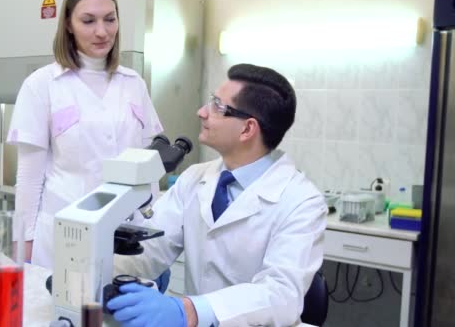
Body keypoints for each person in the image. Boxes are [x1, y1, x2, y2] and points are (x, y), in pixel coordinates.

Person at [107, 63, 327, 326]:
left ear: (247, 129)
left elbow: (280, 296)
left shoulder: (302, 201)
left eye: (217, 106)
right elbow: (151, 250)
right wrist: (95, 275)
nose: (201, 112)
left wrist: (189, 310)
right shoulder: (194, 178)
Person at [6, 0, 163, 271]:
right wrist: (23, 243)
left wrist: (153, 219)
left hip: (127, 235)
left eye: (110, 19)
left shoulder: (133, 83)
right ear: (68, 23)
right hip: (63, 234)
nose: (102, 31)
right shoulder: (42, 85)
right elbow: (29, 176)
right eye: (88, 20)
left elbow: (148, 160)